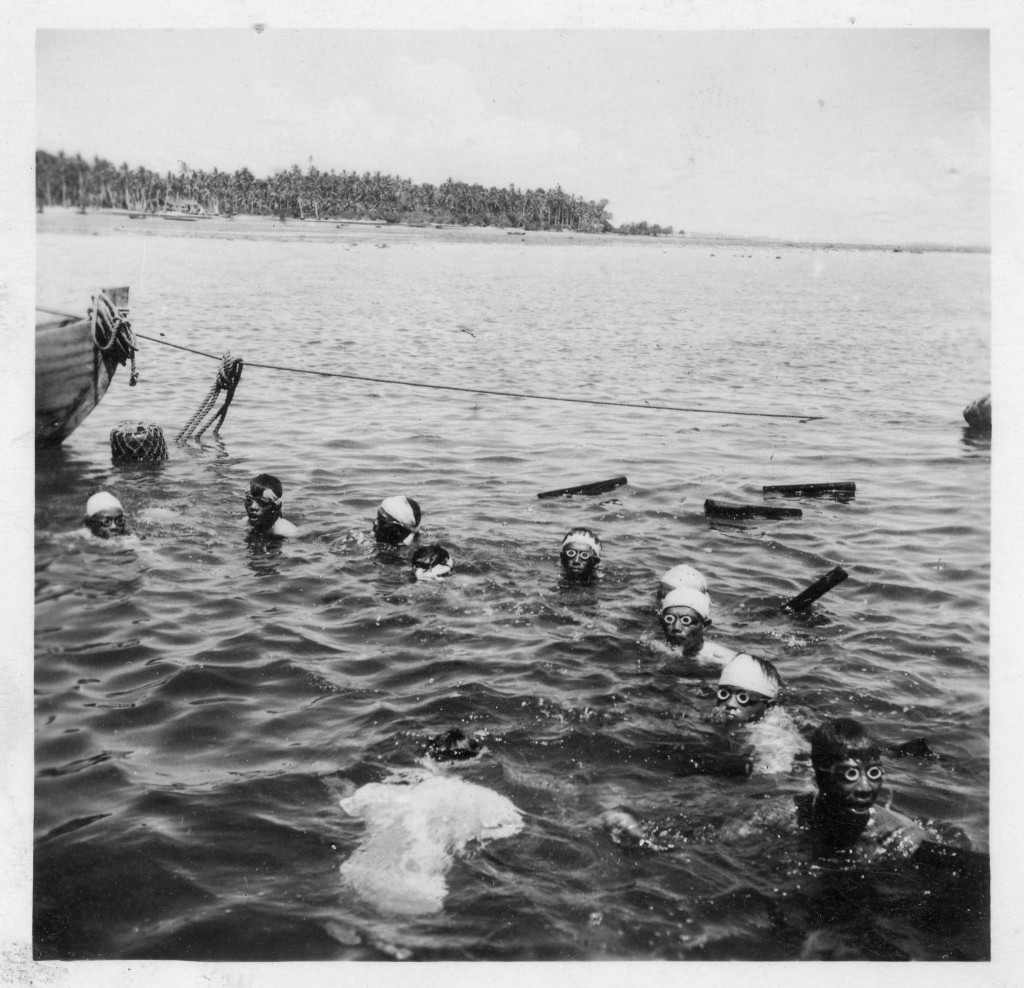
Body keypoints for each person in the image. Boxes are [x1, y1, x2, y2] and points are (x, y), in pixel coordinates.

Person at [796, 717, 929, 858]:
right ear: (818, 781)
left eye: (874, 773)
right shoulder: (793, 813)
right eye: (850, 774)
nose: (865, 788)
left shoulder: (904, 838)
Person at [657, 586, 740, 665]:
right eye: (669, 619)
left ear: (705, 625)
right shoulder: (656, 646)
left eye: (686, 620)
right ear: (662, 622)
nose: (676, 627)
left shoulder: (724, 660)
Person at [710, 654, 783, 725]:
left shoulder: (770, 734)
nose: (730, 703)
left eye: (743, 697)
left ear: (768, 706)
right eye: (724, 694)